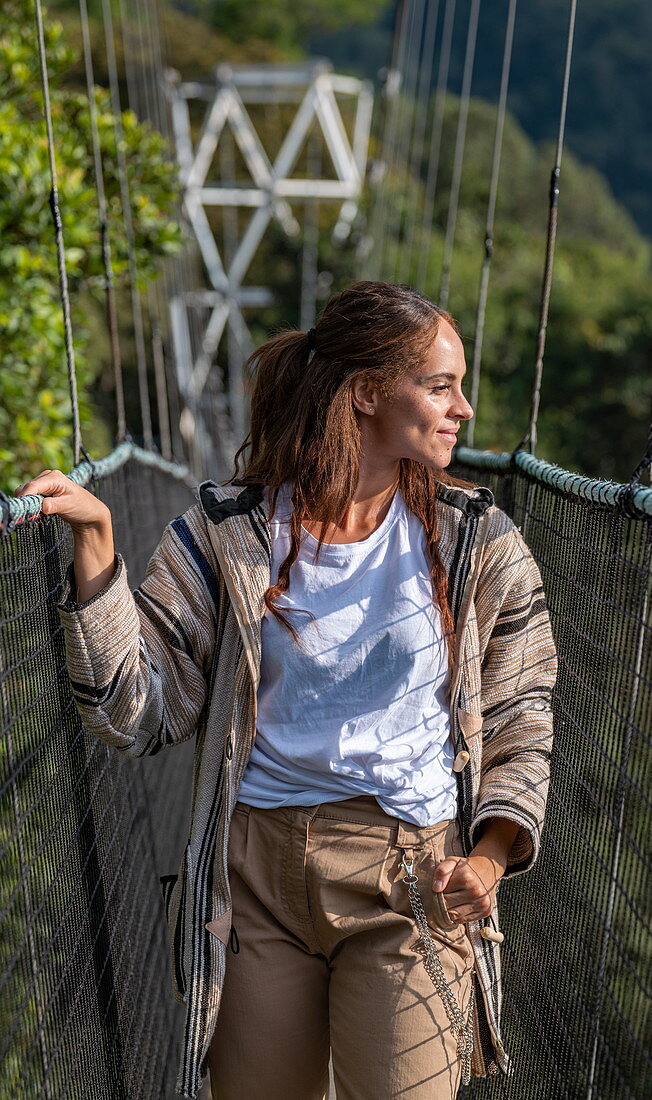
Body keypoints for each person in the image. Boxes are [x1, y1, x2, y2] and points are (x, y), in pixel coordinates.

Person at [17, 280, 558, 1100]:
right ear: (370, 394)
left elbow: (524, 712)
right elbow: (134, 714)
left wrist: (487, 858)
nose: (466, 408)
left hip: (410, 884)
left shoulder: (479, 543)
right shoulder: (224, 537)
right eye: (441, 386)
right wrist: (96, 548)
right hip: (256, 886)